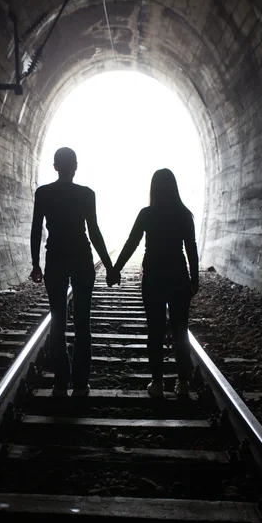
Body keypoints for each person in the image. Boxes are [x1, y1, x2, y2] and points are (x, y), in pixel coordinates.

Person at [30, 147, 116, 397]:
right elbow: (95, 232)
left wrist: (36, 264)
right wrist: (109, 266)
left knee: (57, 322)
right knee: (82, 323)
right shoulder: (86, 194)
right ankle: (80, 384)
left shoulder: (43, 193)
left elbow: (37, 230)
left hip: (55, 257)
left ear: (55, 166)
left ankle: (60, 381)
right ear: (75, 166)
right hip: (81, 257)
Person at [109, 168, 198, 397]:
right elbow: (191, 249)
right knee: (181, 331)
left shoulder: (147, 214)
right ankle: (183, 384)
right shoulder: (184, 215)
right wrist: (194, 279)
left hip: (154, 276)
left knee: (155, 331)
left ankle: (157, 384)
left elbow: (132, 243)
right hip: (179, 276)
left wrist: (116, 269)